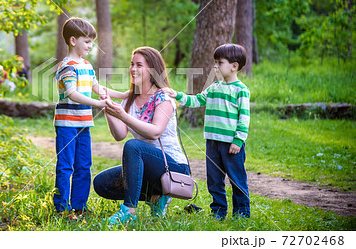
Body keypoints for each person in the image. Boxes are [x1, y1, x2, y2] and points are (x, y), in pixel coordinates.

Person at [93, 46, 189, 225]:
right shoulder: (129, 99)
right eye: (131, 64)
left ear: (152, 70)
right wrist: (108, 110)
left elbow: (155, 132)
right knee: (101, 183)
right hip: (146, 168)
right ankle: (155, 197)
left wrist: (123, 115)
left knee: (134, 146)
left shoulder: (163, 98)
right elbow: (120, 134)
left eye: (139, 65)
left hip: (173, 168)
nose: (133, 69)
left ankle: (129, 210)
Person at [163, 43, 251, 219]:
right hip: (212, 143)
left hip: (231, 145)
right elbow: (196, 101)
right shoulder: (214, 87)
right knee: (214, 180)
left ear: (234, 66)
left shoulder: (241, 90)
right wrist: (177, 94)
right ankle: (218, 211)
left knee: (237, 179)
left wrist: (238, 141)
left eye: (219, 62)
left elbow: (244, 118)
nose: (215, 66)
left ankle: (242, 213)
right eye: (215, 62)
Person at [53, 17, 127, 217]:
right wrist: (99, 104)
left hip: (84, 124)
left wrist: (123, 94)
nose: (90, 45)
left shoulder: (86, 65)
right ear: (73, 40)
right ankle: (62, 208)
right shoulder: (67, 66)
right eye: (87, 41)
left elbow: (97, 88)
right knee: (66, 166)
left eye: (91, 41)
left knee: (84, 165)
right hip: (67, 124)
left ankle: (79, 206)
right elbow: (72, 93)